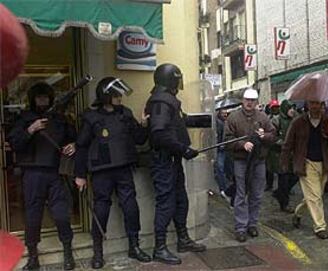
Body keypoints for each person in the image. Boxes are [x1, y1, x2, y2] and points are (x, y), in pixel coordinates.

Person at [74, 77, 151, 269]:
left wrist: (143, 124)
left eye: (120, 94)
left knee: (131, 207)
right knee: (101, 210)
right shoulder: (91, 117)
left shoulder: (125, 113)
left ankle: (134, 246)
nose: (120, 97)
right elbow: (82, 147)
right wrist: (80, 174)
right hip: (101, 172)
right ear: (106, 96)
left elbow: (139, 140)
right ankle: (98, 252)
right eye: (116, 94)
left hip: (123, 168)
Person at [8, 82, 76, 270]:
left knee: (62, 215)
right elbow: (14, 143)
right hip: (32, 173)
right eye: (39, 97)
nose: (42, 101)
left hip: (56, 172)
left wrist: (74, 145)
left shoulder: (59, 118)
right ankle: (33, 257)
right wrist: (31, 129)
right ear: (33, 99)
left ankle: (68, 253)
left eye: (45, 97)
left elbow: (74, 137)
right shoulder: (24, 118)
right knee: (33, 216)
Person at [145, 63, 206, 265]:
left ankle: (183, 239)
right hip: (164, 161)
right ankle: (159, 248)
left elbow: (173, 125)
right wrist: (183, 149)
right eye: (177, 78)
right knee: (166, 203)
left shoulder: (168, 101)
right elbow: (159, 134)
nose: (180, 83)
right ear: (171, 79)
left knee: (181, 200)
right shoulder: (161, 101)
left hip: (172, 160)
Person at [224, 88, 276, 242]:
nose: (249, 103)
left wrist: (264, 136)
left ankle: (252, 224)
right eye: (247, 100)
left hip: (259, 161)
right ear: (242, 101)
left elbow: (273, 135)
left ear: (256, 102)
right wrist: (242, 144)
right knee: (241, 193)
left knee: (257, 194)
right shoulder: (233, 117)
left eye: (252, 101)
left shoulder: (263, 117)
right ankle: (240, 227)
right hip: (240, 161)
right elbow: (227, 139)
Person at [281, 101, 328, 239]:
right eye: (312, 103)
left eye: (317, 103)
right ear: (307, 105)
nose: (315, 106)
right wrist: (285, 164)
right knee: (315, 196)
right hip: (306, 163)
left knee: (314, 196)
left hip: (324, 163)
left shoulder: (327, 120)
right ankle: (320, 226)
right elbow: (288, 144)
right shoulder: (298, 122)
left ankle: (298, 213)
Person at [271, 100, 299, 213]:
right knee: (283, 179)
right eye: (289, 108)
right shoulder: (276, 120)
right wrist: (283, 144)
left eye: (293, 108)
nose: (292, 110)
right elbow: (272, 137)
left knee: (295, 176)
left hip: (292, 155)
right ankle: (284, 203)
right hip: (279, 155)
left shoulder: (295, 120)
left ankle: (279, 193)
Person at [214, 109, 231, 199]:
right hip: (220, 148)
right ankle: (224, 188)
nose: (225, 115)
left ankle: (225, 187)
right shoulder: (219, 123)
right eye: (223, 113)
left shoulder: (224, 123)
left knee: (222, 168)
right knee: (220, 168)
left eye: (226, 113)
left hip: (222, 148)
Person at [265, 99, 280, 191]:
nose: (275, 109)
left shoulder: (282, 118)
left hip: (279, 146)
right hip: (269, 146)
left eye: (276, 107)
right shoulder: (267, 118)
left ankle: (282, 187)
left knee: (280, 168)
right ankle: (269, 185)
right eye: (273, 107)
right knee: (269, 168)